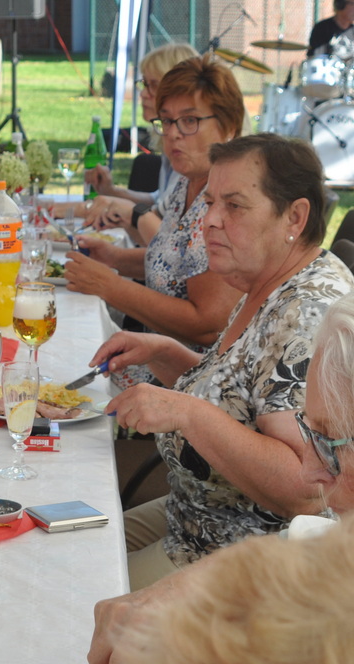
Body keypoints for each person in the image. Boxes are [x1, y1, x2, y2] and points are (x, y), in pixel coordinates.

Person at [85, 133, 354, 593]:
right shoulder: (268, 278)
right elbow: (241, 395)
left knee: (71, 593)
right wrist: (169, 353)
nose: (208, 221)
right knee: (57, 546)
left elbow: (308, 488)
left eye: (233, 205)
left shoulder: (309, 311)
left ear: (295, 215)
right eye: (210, 202)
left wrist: (187, 412)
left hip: (244, 556)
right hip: (195, 515)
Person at [89, 292, 354, 664]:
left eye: (329, 443)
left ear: (292, 229)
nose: (311, 469)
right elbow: (308, 537)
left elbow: (300, 497)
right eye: (310, 432)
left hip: (223, 526)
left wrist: (191, 415)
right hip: (189, 508)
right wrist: (176, 593)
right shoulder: (260, 293)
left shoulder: (308, 303)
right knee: (80, 560)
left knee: (79, 597)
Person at [65, 54, 245, 387]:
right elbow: (176, 264)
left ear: (229, 126)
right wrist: (116, 259)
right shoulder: (188, 184)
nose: (174, 134)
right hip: (155, 360)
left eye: (189, 121)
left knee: (55, 378)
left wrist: (110, 285)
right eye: (167, 121)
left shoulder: (224, 203)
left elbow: (207, 324)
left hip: (193, 383)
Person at [83, 43, 198, 206]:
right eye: (144, 84)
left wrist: (122, 211)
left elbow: (164, 219)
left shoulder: (191, 152)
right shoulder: (169, 140)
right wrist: (111, 192)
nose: (143, 93)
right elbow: (160, 202)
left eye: (153, 85)